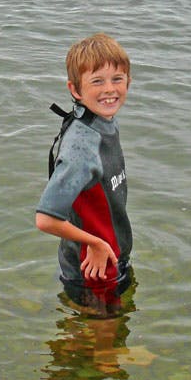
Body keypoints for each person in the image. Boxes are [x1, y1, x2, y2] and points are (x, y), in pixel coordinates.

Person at [36, 33, 134, 316]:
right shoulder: (82, 147)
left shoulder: (101, 124)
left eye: (117, 78)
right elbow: (45, 219)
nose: (109, 89)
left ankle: (80, 348)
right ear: (75, 90)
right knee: (106, 348)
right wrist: (95, 243)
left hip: (108, 259)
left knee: (103, 331)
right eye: (97, 81)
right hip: (93, 269)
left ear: (129, 81)